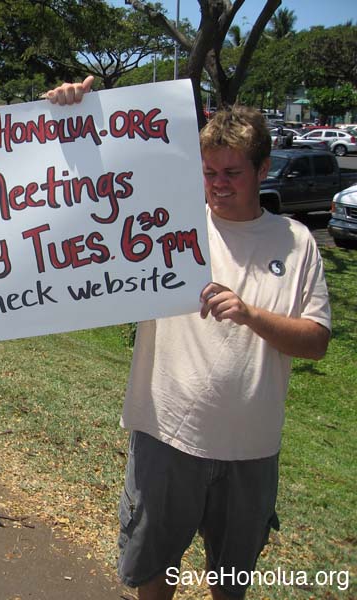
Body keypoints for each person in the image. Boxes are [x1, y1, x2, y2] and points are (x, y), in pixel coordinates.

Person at [46, 77, 331, 599]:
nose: (218, 183)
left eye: (232, 172)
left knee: (230, 581)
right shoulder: (165, 223)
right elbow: (86, 194)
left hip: (252, 449)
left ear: (263, 170)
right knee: (155, 572)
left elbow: (315, 341)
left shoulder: (296, 242)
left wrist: (250, 314)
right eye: (208, 172)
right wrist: (73, 115)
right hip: (168, 437)